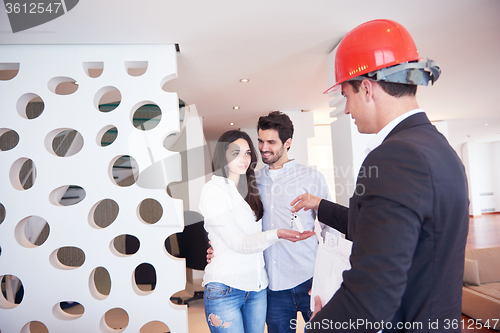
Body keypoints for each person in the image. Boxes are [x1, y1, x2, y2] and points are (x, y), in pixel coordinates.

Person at [291, 19, 469, 332]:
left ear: (368, 88)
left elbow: (370, 297)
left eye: (346, 94)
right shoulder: (440, 149)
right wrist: (320, 205)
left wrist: (320, 327)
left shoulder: (395, 158)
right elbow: (381, 230)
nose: (346, 109)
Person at [199, 130, 315, 333]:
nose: (243, 159)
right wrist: (278, 234)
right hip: (225, 288)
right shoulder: (213, 190)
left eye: (247, 153)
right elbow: (238, 242)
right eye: (235, 153)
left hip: (258, 289)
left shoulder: (251, 189)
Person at [256, 111, 331, 332]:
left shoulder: (311, 177)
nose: (263, 147)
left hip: (309, 278)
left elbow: (330, 230)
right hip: (273, 286)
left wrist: (325, 277)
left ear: (287, 143)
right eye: (260, 140)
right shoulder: (254, 180)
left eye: (271, 142)